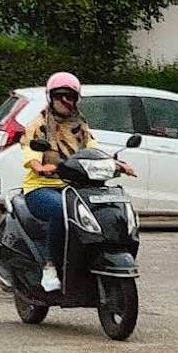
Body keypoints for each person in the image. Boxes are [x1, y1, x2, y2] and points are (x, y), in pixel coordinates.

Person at [21, 71, 135, 295]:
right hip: (42, 188)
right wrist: (39, 166)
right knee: (61, 210)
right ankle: (50, 266)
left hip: (77, 187)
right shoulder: (39, 124)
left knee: (105, 209)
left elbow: (93, 149)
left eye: (70, 96)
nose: (65, 101)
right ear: (51, 97)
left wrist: (117, 164)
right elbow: (30, 149)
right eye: (59, 96)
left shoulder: (80, 125)